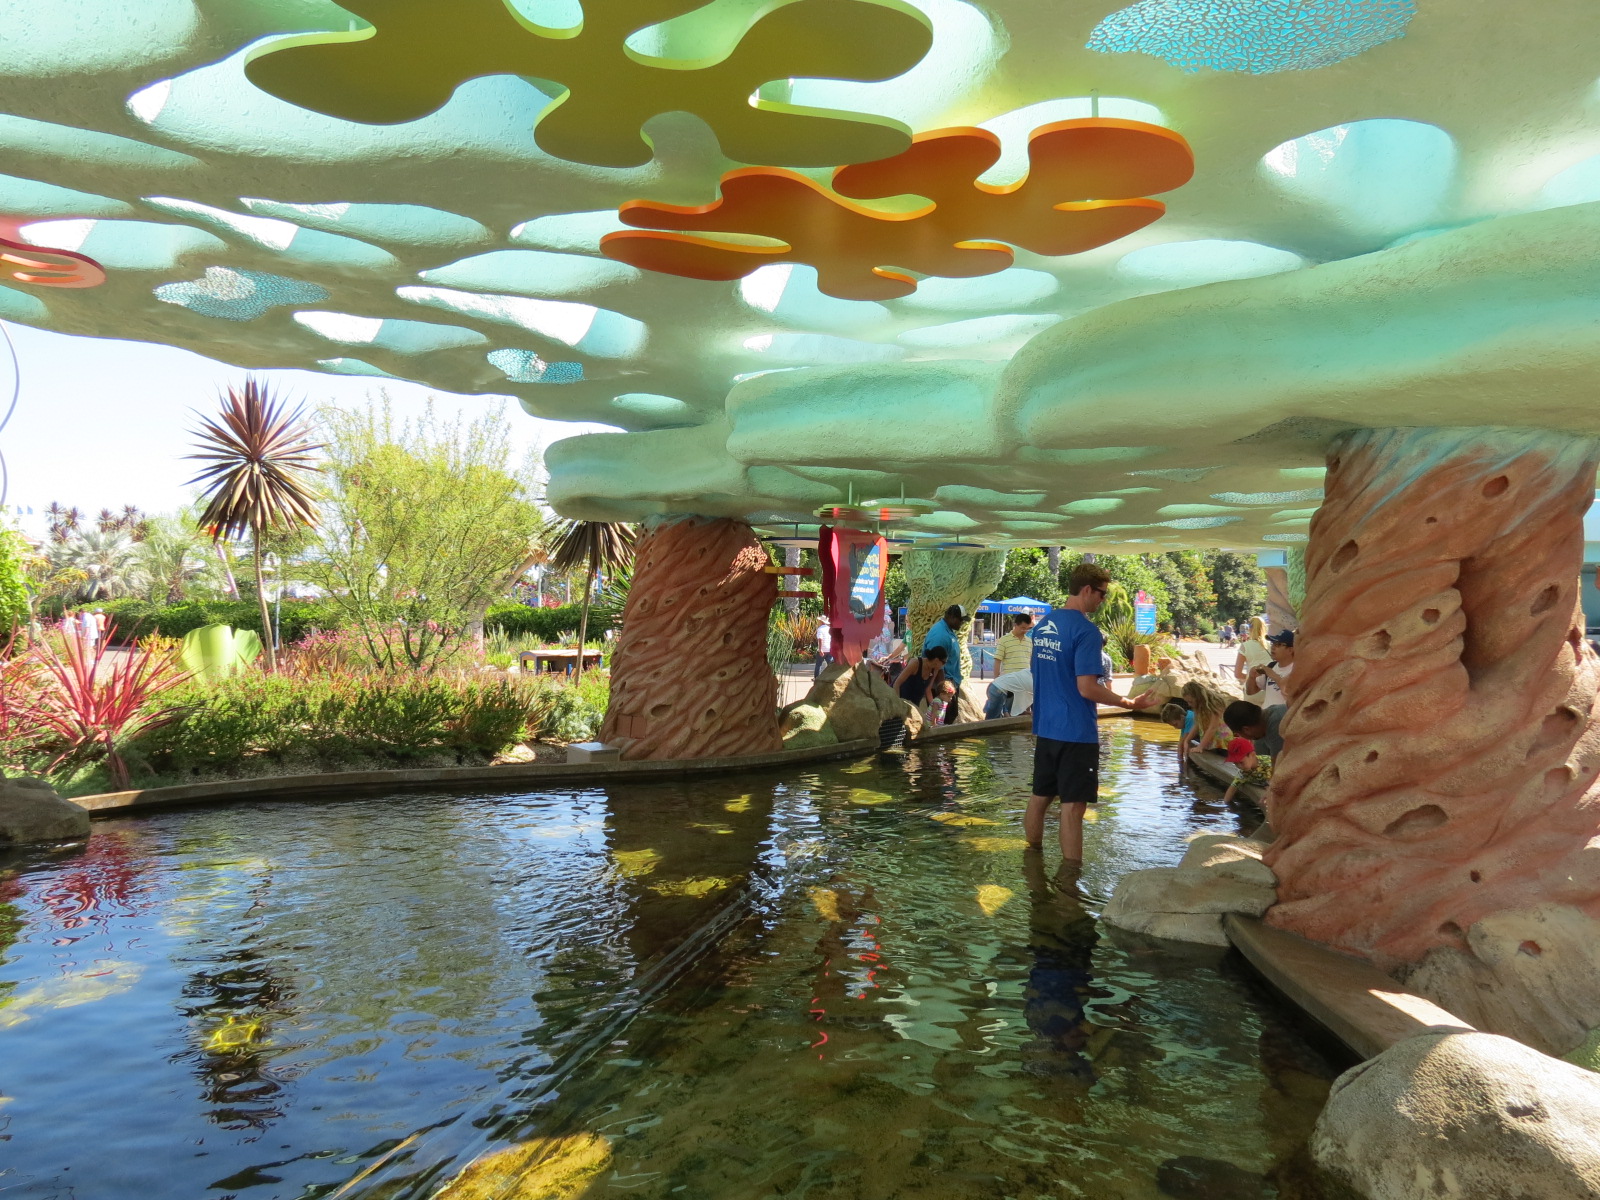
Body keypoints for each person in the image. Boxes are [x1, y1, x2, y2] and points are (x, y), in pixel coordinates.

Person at [1026, 564, 1161, 862]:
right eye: (1102, 594)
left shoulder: (1043, 625)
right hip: (1075, 731)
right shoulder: (1086, 631)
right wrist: (1128, 703)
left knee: (1039, 798)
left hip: (1046, 728)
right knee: (1073, 807)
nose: (1103, 600)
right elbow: (1087, 688)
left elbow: (1039, 673)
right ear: (1087, 590)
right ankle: (1071, 882)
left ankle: (1031, 860)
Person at [922, 604, 970, 724]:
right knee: (942, 719)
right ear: (952, 617)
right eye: (961, 620)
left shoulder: (948, 630)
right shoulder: (940, 635)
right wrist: (942, 691)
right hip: (943, 688)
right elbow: (935, 666)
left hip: (949, 686)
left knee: (950, 716)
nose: (962, 623)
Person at [1178, 680, 1228, 760]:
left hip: (1222, 743)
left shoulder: (1214, 703)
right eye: (1187, 702)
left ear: (1197, 697)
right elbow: (1197, 724)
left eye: (1190, 701)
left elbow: (1213, 727)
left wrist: (1200, 746)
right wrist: (1187, 740)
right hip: (1211, 744)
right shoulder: (1199, 707)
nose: (1189, 704)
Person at [894, 644, 948, 715]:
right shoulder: (915, 664)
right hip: (900, 700)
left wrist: (934, 707)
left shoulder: (935, 670)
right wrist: (898, 704)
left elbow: (928, 690)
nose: (944, 665)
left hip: (914, 706)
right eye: (944, 662)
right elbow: (897, 684)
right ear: (936, 660)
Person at [1249, 630, 1296, 707]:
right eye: (1272, 643)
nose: (1273, 647)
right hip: (1267, 716)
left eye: (1278, 644)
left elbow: (1291, 695)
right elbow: (1251, 692)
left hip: (1283, 716)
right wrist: (1251, 677)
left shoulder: (1297, 670)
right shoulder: (1271, 666)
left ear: (1290, 650)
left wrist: (1273, 675)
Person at [1233, 616, 1271, 701]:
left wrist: (1252, 678)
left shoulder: (1245, 646)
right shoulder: (1272, 645)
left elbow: (1237, 674)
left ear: (1249, 629)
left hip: (1253, 688)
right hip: (1270, 688)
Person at [994, 612, 1034, 677]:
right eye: (1023, 628)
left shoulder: (1029, 641)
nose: (1024, 631)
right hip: (1009, 679)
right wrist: (996, 678)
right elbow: (997, 660)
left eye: (1027, 629)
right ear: (1015, 625)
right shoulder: (1004, 640)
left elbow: (1031, 661)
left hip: (1025, 679)